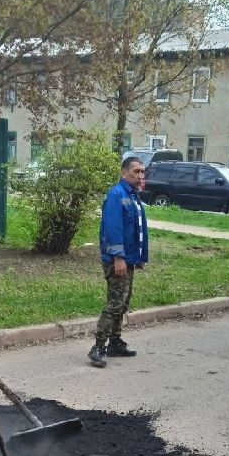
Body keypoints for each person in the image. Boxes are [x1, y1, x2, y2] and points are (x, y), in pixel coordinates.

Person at [88, 155, 148, 368]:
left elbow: (136, 230)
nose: (140, 175)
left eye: (142, 171)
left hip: (129, 258)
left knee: (124, 302)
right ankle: (98, 346)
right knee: (115, 303)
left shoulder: (133, 196)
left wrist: (138, 258)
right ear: (124, 173)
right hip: (117, 259)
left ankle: (115, 342)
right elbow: (114, 229)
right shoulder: (117, 194)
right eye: (136, 171)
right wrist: (119, 257)